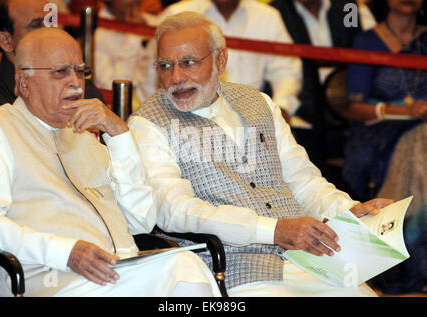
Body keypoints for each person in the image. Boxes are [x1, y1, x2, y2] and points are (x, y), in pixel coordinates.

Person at [120, 11, 394, 297]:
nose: (176, 77)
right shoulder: (148, 123)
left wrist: (347, 210)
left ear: (220, 60)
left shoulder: (258, 102)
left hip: (313, 259)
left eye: (189, 63)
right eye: (165, 65)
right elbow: (175, 211)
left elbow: (303, 180)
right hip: (237, 270)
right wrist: (273, 230)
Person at [0, 27, 221, 297]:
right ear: (24, 82)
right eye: (61, 72)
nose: (75, 83)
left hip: (121, 273)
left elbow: (141, 220)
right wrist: (65, 252)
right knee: (180, 270)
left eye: (80, 71)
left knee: (184, 265)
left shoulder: (85, 135)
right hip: (52, 281)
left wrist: (119, 135)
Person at [343, 0, 427, 294]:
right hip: (378, 134)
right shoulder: (366, 40)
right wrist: (406, 112)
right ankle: (413, 268)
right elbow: (354, 108)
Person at [143, 0, 302, 120]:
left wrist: (281, 108)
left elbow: (285, 70)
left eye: (188, 62)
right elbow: (150, 76)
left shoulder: (267, 17)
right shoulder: (176, 14)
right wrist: (161, 117)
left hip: (254, 118)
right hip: (185, 118)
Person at [269, 0, 376, 172]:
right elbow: (282, 69)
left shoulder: (348, 8)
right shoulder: (276, 12)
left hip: (350, 95)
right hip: (303, 101)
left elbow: (359, 42)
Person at [0, 0, 104, 118]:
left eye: (51, 23)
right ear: (6, 40)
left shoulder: (82, 86)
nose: (49, 33)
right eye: (37, 25)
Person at [93, 0, 158, 111]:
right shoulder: (98, 32)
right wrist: (135, 34)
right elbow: (111, 88)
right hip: (118, 110)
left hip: (153, 106)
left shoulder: (153, 22)